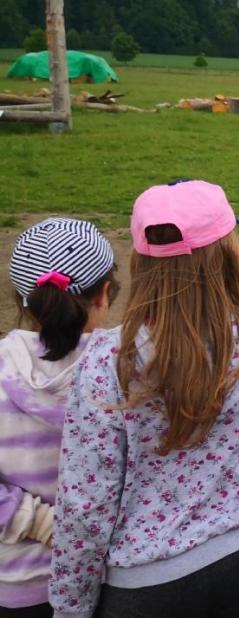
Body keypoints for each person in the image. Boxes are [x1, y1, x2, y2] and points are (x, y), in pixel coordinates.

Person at [48, 181, 239, 618]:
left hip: (148, 580)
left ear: (140, 262)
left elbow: (85, 507)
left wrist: (70, 606)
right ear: (230, 256)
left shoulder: (109, 361)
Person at [1, 219, 117, 618]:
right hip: (107, 580)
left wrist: (42, 524)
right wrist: (65, 531)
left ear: (21, 299)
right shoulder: (127, 371)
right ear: (105, 293)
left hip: (14, 585)